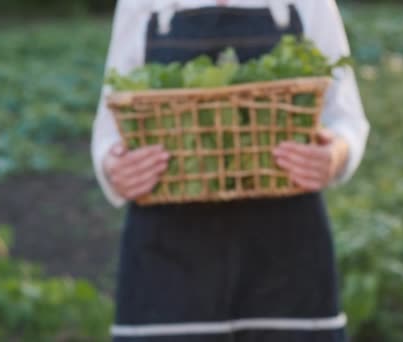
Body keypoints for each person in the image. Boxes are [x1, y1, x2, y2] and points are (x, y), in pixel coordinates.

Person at [91, 0, 369, 341]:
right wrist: (115, 168)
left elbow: (346, 120)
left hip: (286, 257)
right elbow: (108, 132)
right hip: (169, 260)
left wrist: (334, 157)